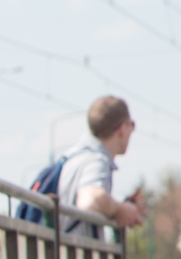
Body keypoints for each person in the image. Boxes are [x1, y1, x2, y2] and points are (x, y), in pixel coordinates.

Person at [59, 95, 145, 237]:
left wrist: (122, 206)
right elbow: (91, 200)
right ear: (122, 129)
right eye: (132, 125)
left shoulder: (73, 157)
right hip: (75, 249)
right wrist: (120, 209)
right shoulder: (96, 161)